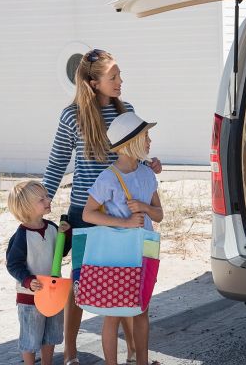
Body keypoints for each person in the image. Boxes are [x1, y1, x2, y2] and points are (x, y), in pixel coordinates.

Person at [42, 48, 162, 365]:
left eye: (119, 75)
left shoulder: (127, 110)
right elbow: (57, 163)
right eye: (113, 77)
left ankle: (135, 352)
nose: (120, 81)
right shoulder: (72, 116)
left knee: (124, 279)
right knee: (83, 283)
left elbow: (134, 152)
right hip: (87, 213)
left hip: (122, 212)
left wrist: (151, 163)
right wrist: (41, 202)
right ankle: (69, 352)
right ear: (93, 83)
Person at [82, 111, 163, 365]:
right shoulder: (107, 178)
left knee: (141, 310)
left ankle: (142, 361)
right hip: (117, 255)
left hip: (144, 252)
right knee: (113, 313)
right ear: (131, 142)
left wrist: (144, 208)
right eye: (146, 136)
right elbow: (88, 214)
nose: (149, 141)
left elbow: (159, 215)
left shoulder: (148, 174)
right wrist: (125, 222)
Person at [6, 180, 72, 365]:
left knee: (51, 335)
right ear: (26, 207)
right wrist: (27, 280)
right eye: (41, 199)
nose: (48, 200)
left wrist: (66, 235)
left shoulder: (51, 227)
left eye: (47, 196)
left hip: (53, 293)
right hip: (30, 296)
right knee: (30, 337)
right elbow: (13, 264)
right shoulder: (21, 236)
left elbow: (61, 251)